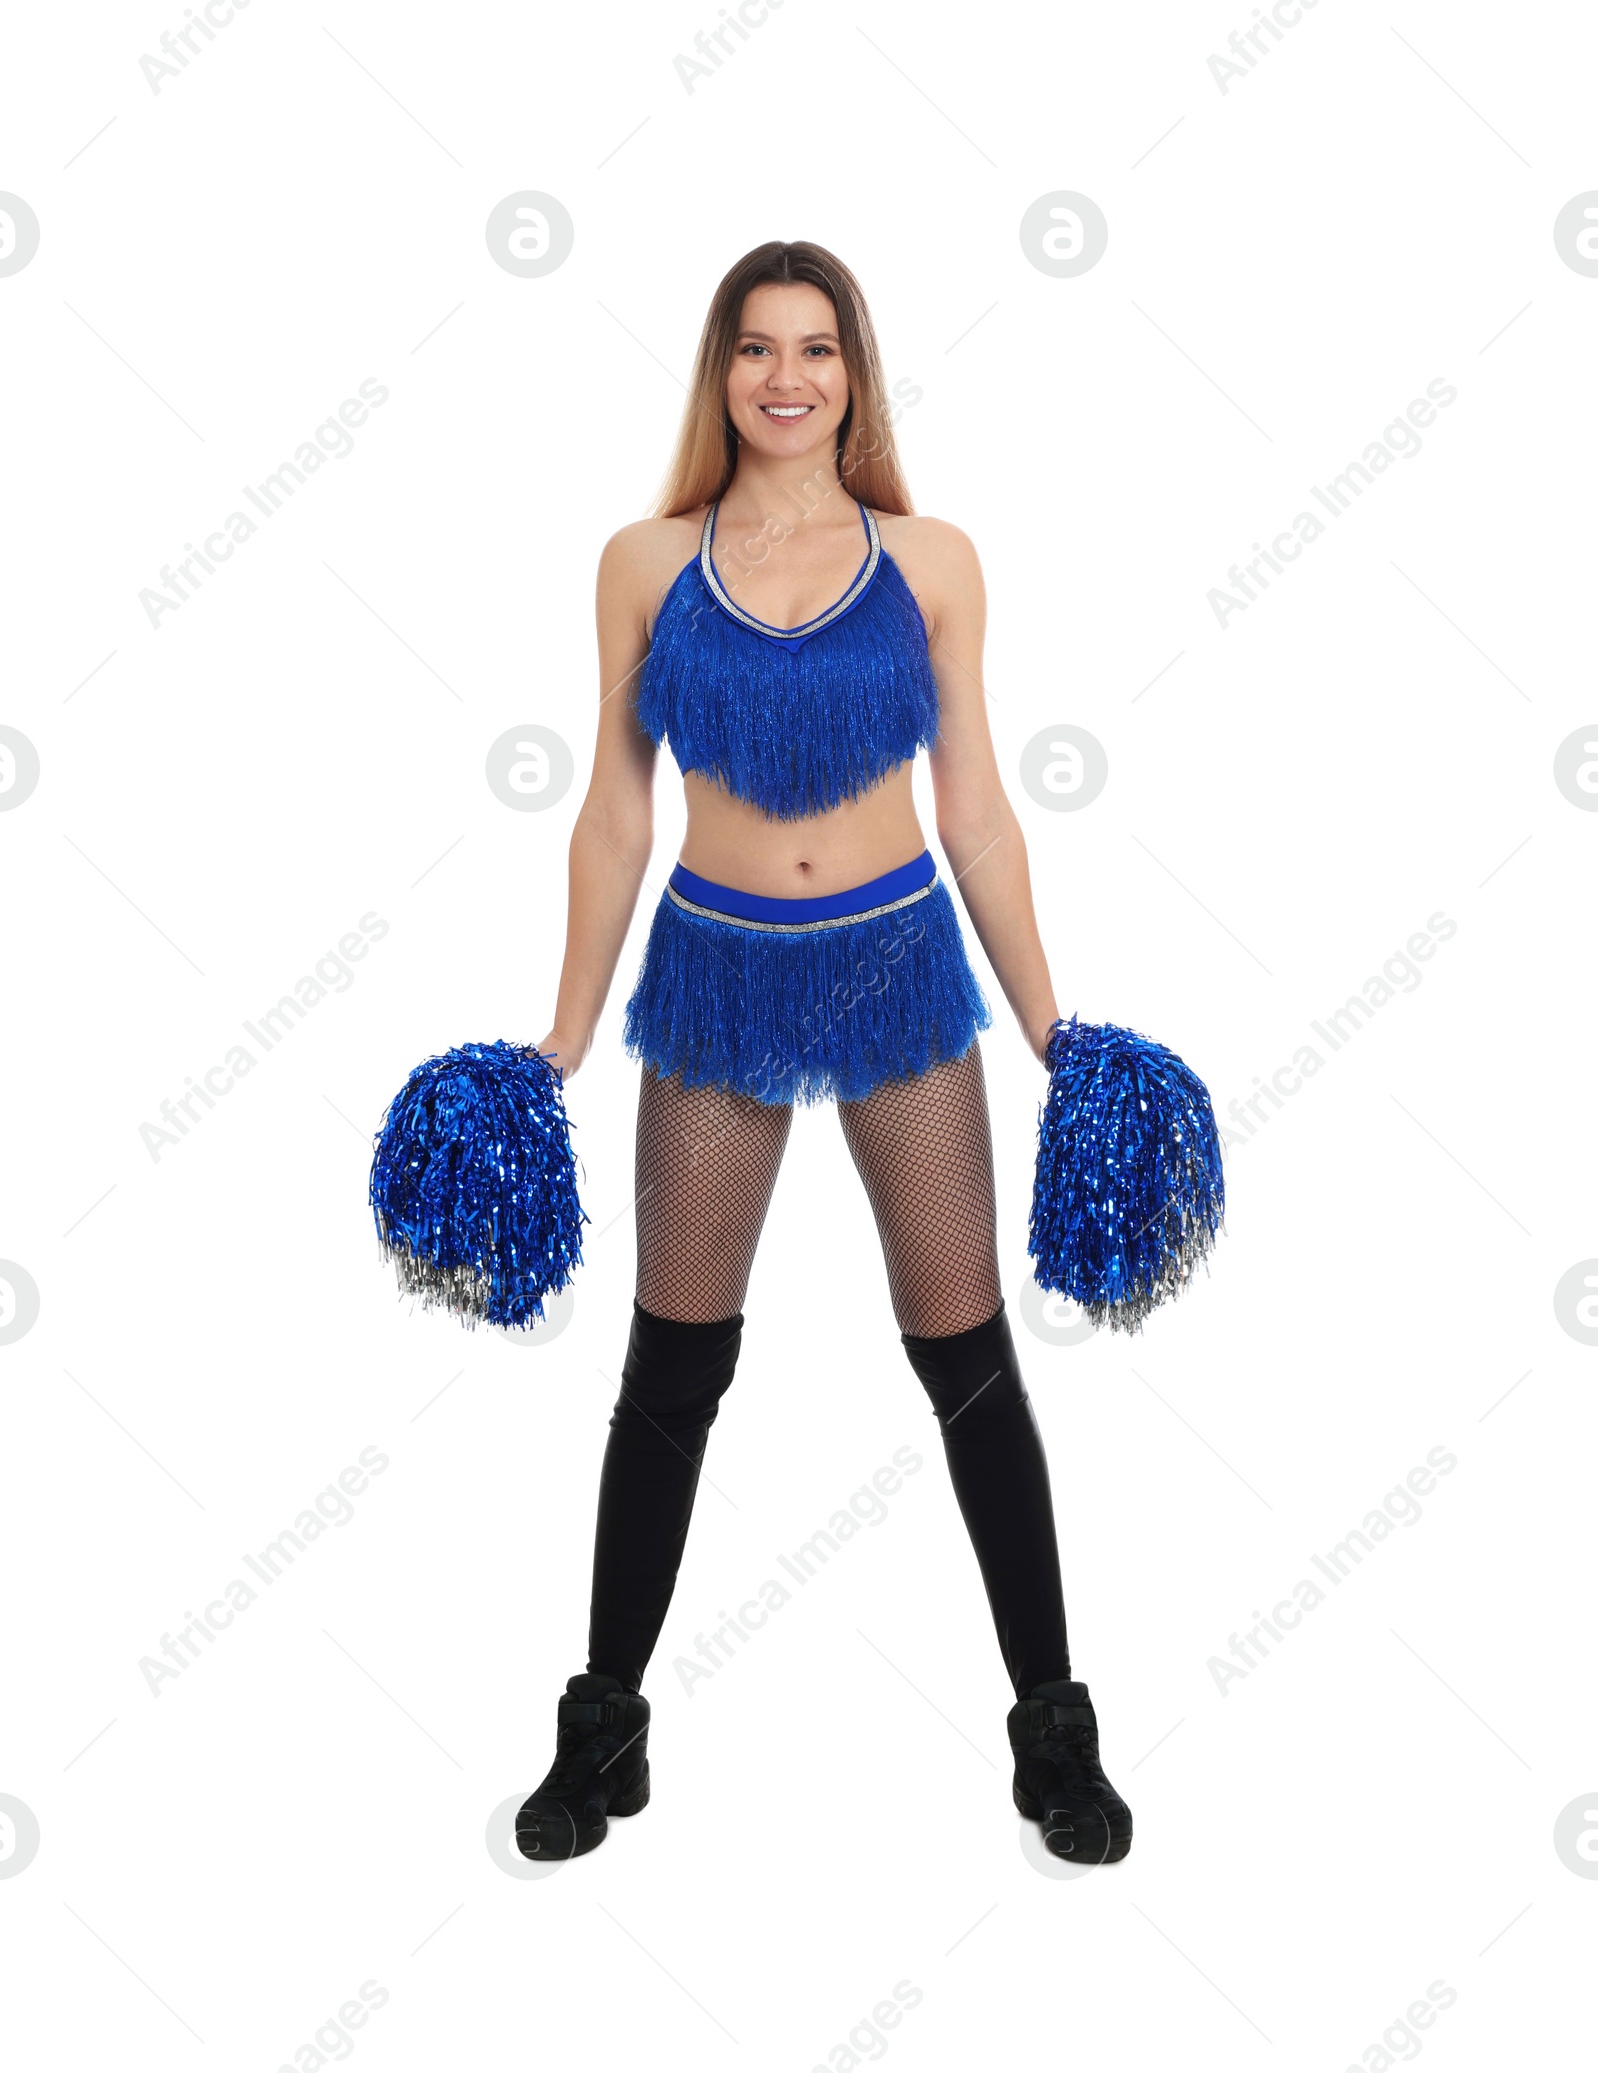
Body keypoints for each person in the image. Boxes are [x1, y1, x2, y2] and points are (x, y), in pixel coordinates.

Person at [515, 240, 1130, 1867]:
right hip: (715, 973)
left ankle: (1053, 1732)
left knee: (966, 1351)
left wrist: (1056, 1028)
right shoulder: (645, 561)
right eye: (755, 348)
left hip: (896, 970)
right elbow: (615, 811)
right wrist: (562, 1040)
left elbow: (980, 812)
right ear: (720, 372)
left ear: (857, 374)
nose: (786, 376)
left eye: (818, 348)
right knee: (674, 1362)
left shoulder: (931, 558)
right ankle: (605, 1726)